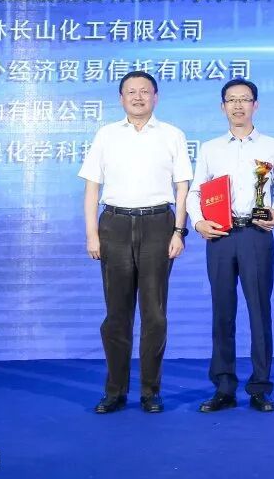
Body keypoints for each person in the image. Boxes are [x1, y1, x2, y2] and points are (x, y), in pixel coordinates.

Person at [80, 70, 192, 414]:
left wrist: (179, 231)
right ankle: (114, 391)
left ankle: (150, 391)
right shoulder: (106, 135)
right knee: (116, 314)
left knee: (154, 314)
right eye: (131, 92)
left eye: (145, 91)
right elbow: (92, 188)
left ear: (155, 97)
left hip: (158, 224)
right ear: (121, 98)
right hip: (113, 225)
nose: (138, 97)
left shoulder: (172, 135)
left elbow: (183, 187)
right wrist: (92, 234)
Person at [188, 79, 274, 413]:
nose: (238, 105)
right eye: (231, 100)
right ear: (222, 107)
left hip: (256, 234)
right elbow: (196, 192)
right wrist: (198, 222)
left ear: (255, 105)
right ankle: (224, 387)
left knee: (259, 310)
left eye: (245, 99)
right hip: (220, 235)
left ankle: (260, 387)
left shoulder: (273, 147)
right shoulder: (210, 149)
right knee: (222, 311)